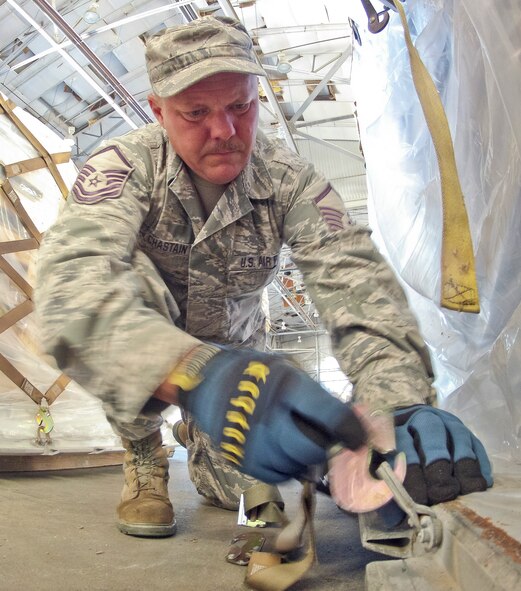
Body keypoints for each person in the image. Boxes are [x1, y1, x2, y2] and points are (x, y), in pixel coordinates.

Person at [34, 16, 492, 539]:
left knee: (256, 485)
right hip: (156, 355)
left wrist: (398, 401)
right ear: (159, 112)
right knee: (127, 281)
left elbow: (356, 287)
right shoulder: (125, 166)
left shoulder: (289, 180)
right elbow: (70, 284)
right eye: (197, 112)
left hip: (244, 368)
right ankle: (144, 451)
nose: (225, 131)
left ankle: (196, 433)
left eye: (240, 106)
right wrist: (193, 373)